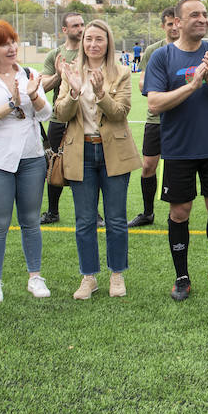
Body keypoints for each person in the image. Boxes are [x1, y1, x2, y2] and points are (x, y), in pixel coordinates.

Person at [144, 0, 208, 300]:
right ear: (177, 22)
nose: (202, 19)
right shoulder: (161, 57)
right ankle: (182, 277)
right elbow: (154, 103)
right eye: (194, 15)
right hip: (178, 150)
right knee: (180, 213)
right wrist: (192, 84)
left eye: (204, 14)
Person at [0, 20, 53, 303]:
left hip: (32, 158)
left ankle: (35, 277)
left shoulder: (29, 73)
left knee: (31, 221)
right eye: (4, 43)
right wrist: (12, 104)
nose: (12, 47)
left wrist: (32, 97)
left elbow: (45, 115)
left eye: (13, 41)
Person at [54, 19, 136, 299]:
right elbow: (61, 114)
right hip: (82, 152)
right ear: (82, 42)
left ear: (108, 42)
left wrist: (101, 94)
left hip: (113, 151)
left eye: (99, 39)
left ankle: (116, 274)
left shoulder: (121, 72)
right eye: (88, 39)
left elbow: (121, 113)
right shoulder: (70, 73)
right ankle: (88, 277)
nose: (93, 44)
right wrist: (75, 91)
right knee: (85, 220)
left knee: (115, 219)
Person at [129, 8, 179, 228]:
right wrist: (157, 87)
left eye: (177, 23)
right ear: (163, 26)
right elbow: (141, 82)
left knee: (177, 167)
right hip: (156, 118)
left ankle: (175, 214)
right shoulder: (153, 50)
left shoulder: (191, 49)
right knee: (148, 165)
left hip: (181, 119)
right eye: (169, 24)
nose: (174, 27)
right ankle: (148, 213)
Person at [39, 11, 85, 225]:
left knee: (88, 165)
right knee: (54, 164)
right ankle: (53, 211)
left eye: (82, 24)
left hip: (85, 120)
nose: (80, 28)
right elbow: (42, 88)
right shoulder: (55, 55)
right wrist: (59, 74)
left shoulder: (90, 51)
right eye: (75, 25)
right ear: (65, 30)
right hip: (59, 118)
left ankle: (93, 213)